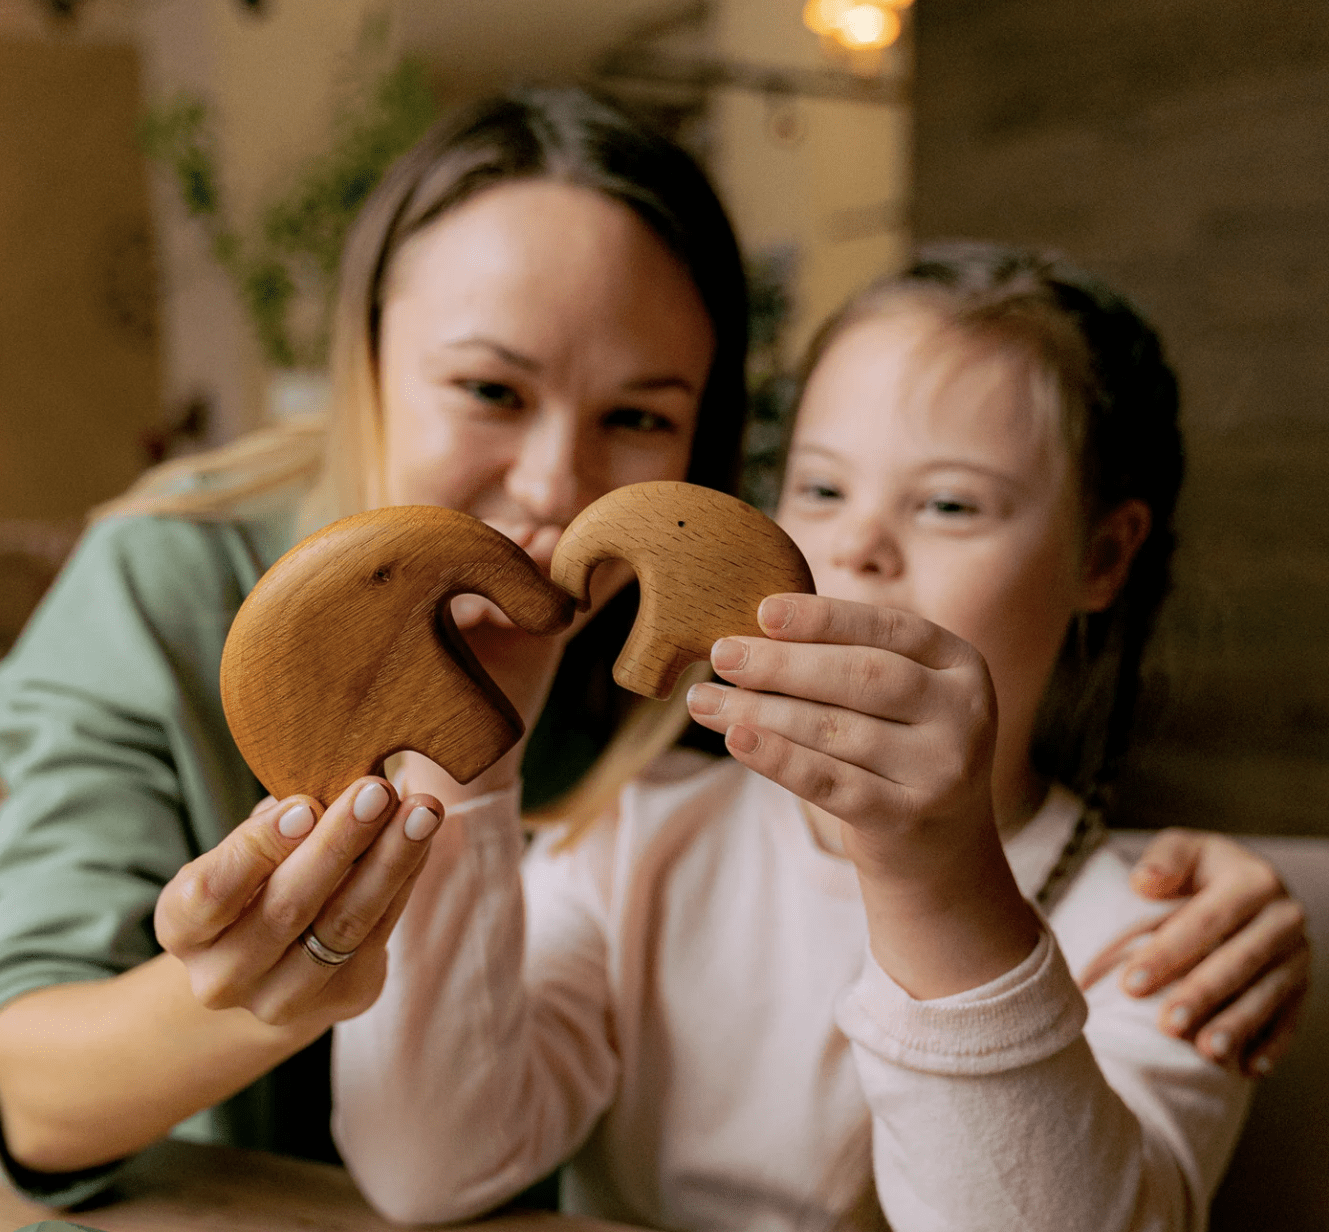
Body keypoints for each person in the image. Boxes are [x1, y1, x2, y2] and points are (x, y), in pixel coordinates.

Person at [0, 89, 1302, 1207]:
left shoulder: (667, 679)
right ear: (364, 358)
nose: (553, 485)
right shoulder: (189, 590)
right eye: (489, 387)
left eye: (641, 417)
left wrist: (1236, 886)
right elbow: (39, 1085)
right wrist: (273, 972)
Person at [328, 243, 1305, 1230]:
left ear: (1102, 556)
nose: (856, 547)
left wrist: (938, 882)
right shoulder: (638, 841)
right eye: (823, 491)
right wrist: (463, 753)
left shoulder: (1174, 946)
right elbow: (428, 1168)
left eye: (949, 504)